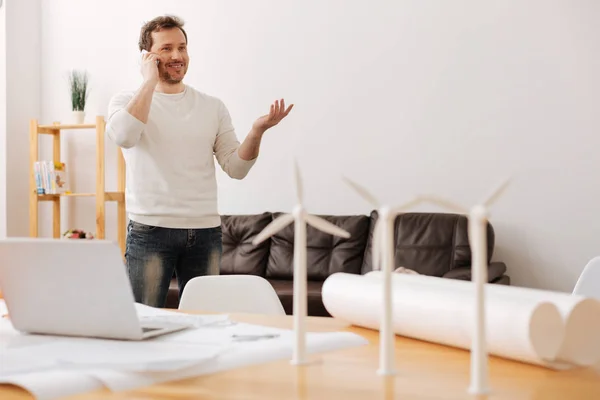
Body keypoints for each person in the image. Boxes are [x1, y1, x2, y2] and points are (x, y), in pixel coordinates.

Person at [105, 15, 293, 307]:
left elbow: (237, 168)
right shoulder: (126, 101)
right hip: (150, 231)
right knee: (143, 321)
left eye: (182, 47)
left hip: (205, 233)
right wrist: (149, 82)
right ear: (147, 56)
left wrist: (257, 131)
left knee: (205, 326)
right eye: (166, 48)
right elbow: (125, 136)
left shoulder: (212, 107)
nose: (177, 56)